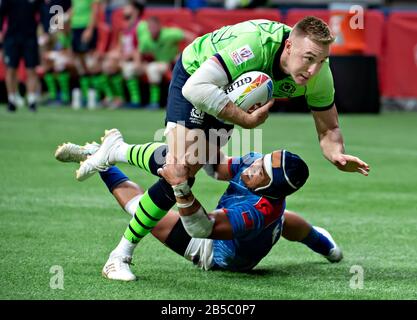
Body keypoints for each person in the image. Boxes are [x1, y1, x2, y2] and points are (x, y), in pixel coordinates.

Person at [75, 17, 369, 272]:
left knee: (183, 169)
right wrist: (244, 121)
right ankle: (121, 254)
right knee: (180, 168)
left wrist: (336, 154)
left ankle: (113, 154)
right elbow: (195, 89)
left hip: (231, 93)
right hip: (197, 76)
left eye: (322, 61)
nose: (314, 70)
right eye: (309, 58)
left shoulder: (318, 75)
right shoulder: (255, 46)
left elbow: (329, 127)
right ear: (290, 46)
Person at [55, 131, 342, 281]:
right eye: (259, 161)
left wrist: (180, 187)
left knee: (146, 211)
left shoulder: (260, 211)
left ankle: (101, 162)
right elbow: (217, 169)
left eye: (260, 172)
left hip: (221, 256)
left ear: (270, 189)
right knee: (290, 222)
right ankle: (327, 247)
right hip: (265, 225)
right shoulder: (256, 165)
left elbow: (203, 228)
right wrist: (203, 139)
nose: (252, 166)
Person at [136, 16, 195, 109]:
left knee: (153, 69)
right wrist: (139, 64)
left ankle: (155, 102)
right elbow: (139, 51)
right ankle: (138, 102)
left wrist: (183, 54)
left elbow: (191, 36)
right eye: (150, 27)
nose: (152, 30)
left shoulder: (169, 34)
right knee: (138, 69)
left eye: (154, 27)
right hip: (161, 64)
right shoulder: (146, 39)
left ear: (159, 26)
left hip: (175, 64)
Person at [0, 0, 49, 112]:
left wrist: (45, 31)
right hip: (12, 38)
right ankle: (11, 100)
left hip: (30, 38)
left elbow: (43, 12)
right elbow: (2, 13)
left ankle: (31, 100)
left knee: (31, 69)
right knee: (11, 69)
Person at [102, 0, 145, 108]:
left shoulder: (141, 25)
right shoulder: (125, 27)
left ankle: (135, 100)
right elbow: (120, 47)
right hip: (125, 59)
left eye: (128, 7)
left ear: (135, 10)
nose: (124, 9)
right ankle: (116, 98)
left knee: (128, 69)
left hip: (137, 60)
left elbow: (142, 47)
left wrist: (129, 56)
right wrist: (112, 55)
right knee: (107, 65)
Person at [67, 0, 101, 105]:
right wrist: (66, 16)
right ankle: (84, 93)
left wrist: (89, 29)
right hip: (75, 27)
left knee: (90, 61)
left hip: (85, 26)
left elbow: (95, 10)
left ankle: (93, 94)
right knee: (79, 62)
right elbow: (75, 8)